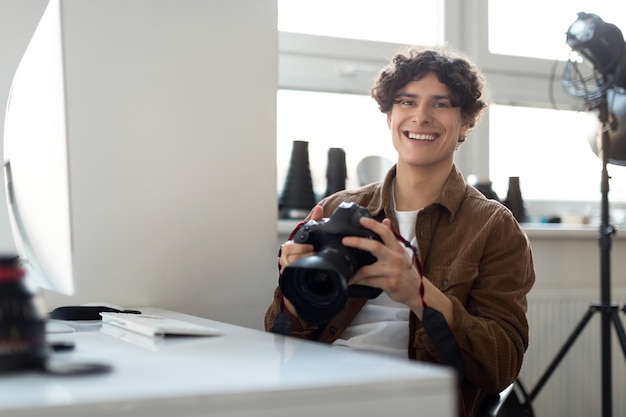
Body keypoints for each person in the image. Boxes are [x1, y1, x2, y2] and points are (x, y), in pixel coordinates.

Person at [265, 44, 535, 417]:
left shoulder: (493, 226)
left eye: (440, 104)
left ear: (466, 121)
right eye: (407, 102)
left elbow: (501, 366)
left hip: (414, 401)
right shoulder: (334, 208)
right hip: (321, 392)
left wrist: (419, 293)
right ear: (390, 114)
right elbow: (279, 340)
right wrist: (294, 292)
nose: (420, 116)